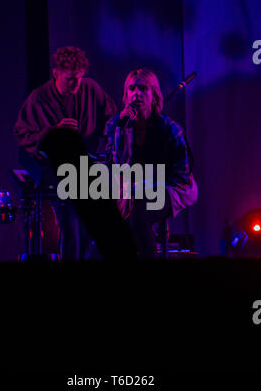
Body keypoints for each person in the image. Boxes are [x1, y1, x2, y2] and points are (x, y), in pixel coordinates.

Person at [14, 46, 117, 260]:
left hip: (86, 169)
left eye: (79, 78)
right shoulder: (38, 98)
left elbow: (111, 119)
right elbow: (23, 133)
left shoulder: (90, 89)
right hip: (56, 171)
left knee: (92, 228)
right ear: (56, 74)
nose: (76, 85)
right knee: (71, 228)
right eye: (70, 79)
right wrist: (53, 133)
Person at [105, 68, 198, 259]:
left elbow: (181, 173)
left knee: (139, 215)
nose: (136, 93)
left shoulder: (169, 129)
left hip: (172, 187)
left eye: (142, 88)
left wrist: (146, 186)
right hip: (132, 187)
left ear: (153, 95)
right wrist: (120, 131)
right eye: (131, 89)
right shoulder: (117, 126)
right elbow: (113, 164)